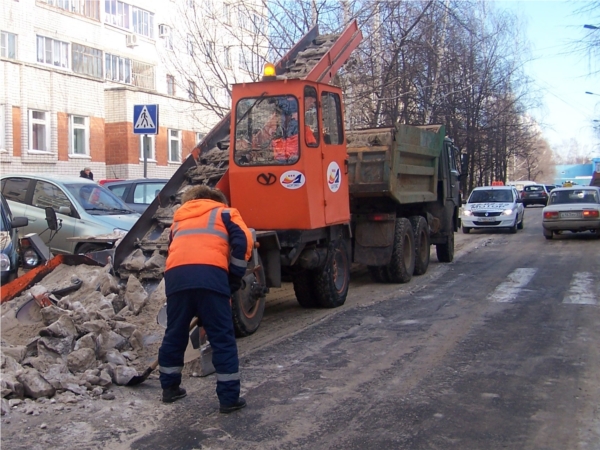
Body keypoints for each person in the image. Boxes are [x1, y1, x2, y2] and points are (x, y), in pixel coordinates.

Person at [157, 185, 253, 413]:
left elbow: (174, 248)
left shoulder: (179, 219)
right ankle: (228, 399)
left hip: (177, 278)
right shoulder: (226, 212)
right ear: (216, 199)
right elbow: (244, 241)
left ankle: (170, 389)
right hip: (211, 276)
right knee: (222, 337)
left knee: (175, 333)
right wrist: (234, 277)